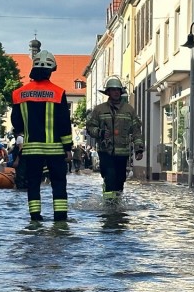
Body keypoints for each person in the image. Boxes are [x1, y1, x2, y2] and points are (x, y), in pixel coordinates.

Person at [11, 50, 74, 222]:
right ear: (51, 70)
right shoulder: (58, 93)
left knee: (33, 183)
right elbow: (63, 123)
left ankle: (35, 217)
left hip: (31, 150)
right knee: (58, 183)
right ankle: (60, 218)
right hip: (55, 149)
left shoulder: (19, 94)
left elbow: (16, 122)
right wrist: (68, 148)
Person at [85, 77, 144, 206]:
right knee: (110, 176)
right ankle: (109, 204)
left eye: (118, 90)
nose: (116, 92)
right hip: (105, 151)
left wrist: (139, 148)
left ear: (121, 91)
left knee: (120, 179)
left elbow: (136, 131)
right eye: (113, 90)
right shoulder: (99, 110)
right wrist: (100, 132)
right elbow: (90, 127)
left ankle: (117, 201)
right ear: (108, 92)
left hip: (122, 153)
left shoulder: (129, 110)